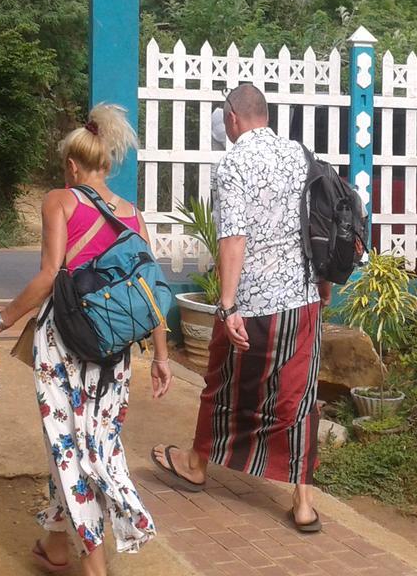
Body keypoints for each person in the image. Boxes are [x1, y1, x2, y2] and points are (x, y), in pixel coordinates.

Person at [0, 103, 172, 575]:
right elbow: (148, 287)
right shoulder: (132, 214)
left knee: (70, 448)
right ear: (107, 163)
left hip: (64, 343)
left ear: (73, 165)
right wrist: (160, 357)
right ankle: (55, 548)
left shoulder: (60, 199)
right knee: (93, 441)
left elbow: (46, 279)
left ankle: (95, 567)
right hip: (114, 349)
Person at [150, 83, 331, 533]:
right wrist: (322, 285)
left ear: (232, 118)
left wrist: (227, 306)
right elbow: (320, 224)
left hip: (252, 303)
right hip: (302, 301)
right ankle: (304, 503)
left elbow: (233, 240)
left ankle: (196, 464)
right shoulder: (299, 156)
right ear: (263, 115)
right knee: (298, 396)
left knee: (223, 385)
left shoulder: (233, 164)